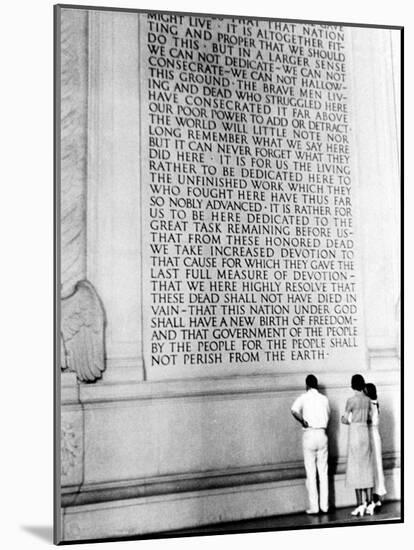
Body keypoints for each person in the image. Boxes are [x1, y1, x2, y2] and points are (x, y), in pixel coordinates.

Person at [291, 374, 330, 515]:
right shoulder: (324, 399)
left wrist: (303, 421)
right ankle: (325, 506)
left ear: (306, 385)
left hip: (309, 435)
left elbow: (294, 410)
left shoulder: (304, 397)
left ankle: (315, 507)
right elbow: (328, 415)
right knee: (324, 473)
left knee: (311, 473)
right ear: (317, 385)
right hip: (322, 434)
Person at [341, 374, 374, 517]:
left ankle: (360, 504)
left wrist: (346, 421)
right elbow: (369, 418)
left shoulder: (351, 400)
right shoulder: (367, 400)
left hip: (355, 432)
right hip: (365, 432)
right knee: (367, 466)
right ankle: (370, 502)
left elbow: (344, 418)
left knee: (355, 468)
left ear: (352, 385)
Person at [365, 382, 387, 511]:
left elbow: (369, 421)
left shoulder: (371, 405)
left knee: (374, 466)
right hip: (375, 436)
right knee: (376, 466)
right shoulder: (375, 403)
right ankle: (377, 496)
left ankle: (375, 497)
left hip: (371, 436)